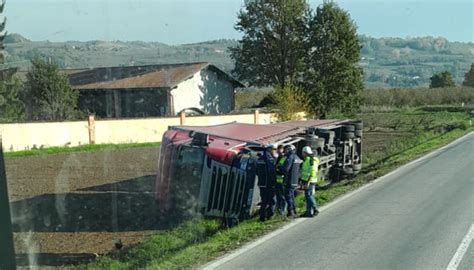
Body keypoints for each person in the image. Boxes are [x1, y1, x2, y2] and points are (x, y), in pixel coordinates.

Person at [258, 144, 277, 221]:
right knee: (271, 200)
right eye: (274, 149)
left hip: (261, 183)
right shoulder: (270, 159)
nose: (275, 151)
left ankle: (262, 216)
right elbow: (271, 172)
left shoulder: (260, 158)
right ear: (270, 149)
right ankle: (270, 215)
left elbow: (257, 171)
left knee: (263, 201)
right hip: (269, 183)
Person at [300, 146, 320, 217]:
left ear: (305, 153)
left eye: (303, 153)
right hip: (306, 180)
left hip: (310, 181)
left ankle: (315, 209)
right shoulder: (307, 160)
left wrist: (308, 182)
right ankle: (308, 212)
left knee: (309, 196)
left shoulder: (311, 161)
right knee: (307, 196)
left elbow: (312, 172)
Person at [280, 144, 298, 218]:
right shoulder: (297, 157)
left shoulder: (290, 157)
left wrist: (280, 167)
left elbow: (286, 168)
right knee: (292, 196)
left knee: (288, 196)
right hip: (295, 180)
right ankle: (294, 210)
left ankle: (290, 211)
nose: (285, 151)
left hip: (289, 180)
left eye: (286, 149)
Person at [275, 144, 287, 215]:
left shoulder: (283, 157)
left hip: (281, 179)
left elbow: (281, 168)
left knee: (282, 195)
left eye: (279, 149)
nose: (278, 151)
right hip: (278, 179)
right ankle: (279, 209)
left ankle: (282, 210)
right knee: (279, 195)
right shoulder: (279, 157)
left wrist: (277, 167)